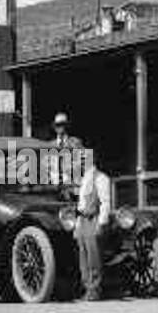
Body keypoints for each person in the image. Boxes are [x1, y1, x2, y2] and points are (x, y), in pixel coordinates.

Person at [75, 146, 113, 302]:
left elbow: (105, 202)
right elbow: (80, 204)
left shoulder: (101, 178)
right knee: (83, 257)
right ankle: (87, 288)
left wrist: (101, 222)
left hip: (93, 219)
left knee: (94, 257)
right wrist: (78, 224)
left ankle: (95, 289)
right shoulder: (83, 179)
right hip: (83, 219)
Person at [50, 112, 84, 186]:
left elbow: (84, 162)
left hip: (72, 183)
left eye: (62, 125)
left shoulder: (76, 143)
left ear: (67, 126)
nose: (60, 127)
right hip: (55, 184)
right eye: (57, 125)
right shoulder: (50, 145)